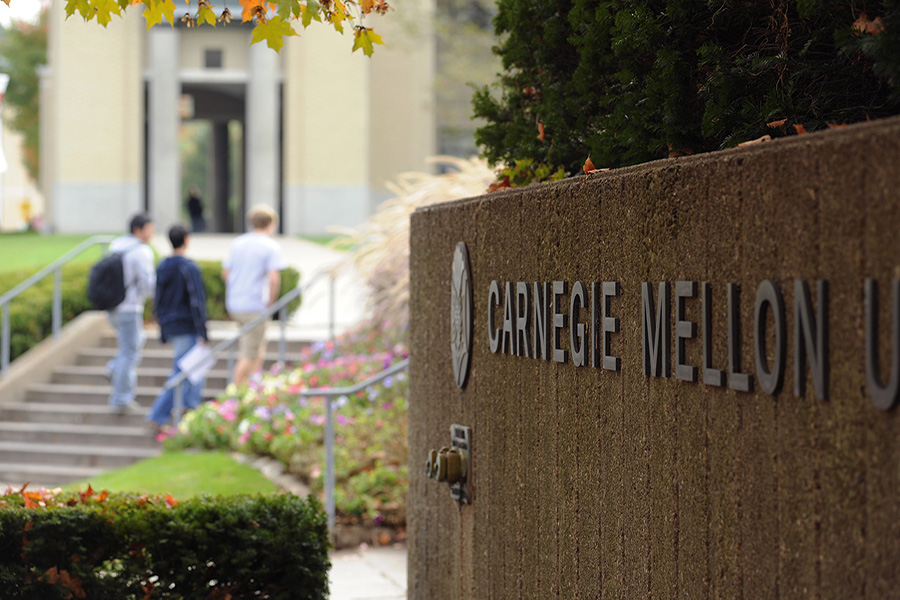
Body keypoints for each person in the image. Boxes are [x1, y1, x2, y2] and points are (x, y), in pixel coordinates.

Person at [147, 224, 209, 432]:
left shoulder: (163, 266)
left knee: (191, 370)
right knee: (183, 372)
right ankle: (158, 415)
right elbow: (196, 301)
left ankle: (191, 410)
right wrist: (203, 331)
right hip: (185, 325)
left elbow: (158, 301)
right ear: (186, 239)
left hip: (172, 325)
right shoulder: (188, 267)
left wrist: (163, 330)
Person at [222, 205, 285, 385]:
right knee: (251, 353)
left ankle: (250, 388)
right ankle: (235, 394)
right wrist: (271, 303)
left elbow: (226, 273)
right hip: (254, 304)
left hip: (235, 303)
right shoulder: (270, 246)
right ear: (270, 223)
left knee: (256, 349)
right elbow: (274, 278)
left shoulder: (238, 243)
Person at [107, 212, 155, 414]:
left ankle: (114, 368)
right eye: (149, 229)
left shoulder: (116, 246)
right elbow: (150, 284)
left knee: (132, 345)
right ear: (138, 230)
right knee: (130, 352)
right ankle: (121, 399)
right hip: (130, 308)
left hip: (112, 307)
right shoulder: (141, 251)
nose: (152, 233)